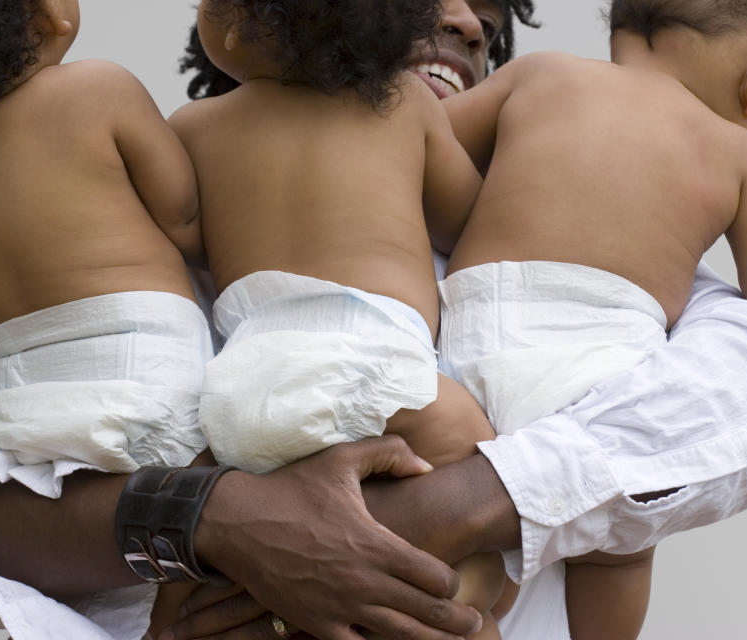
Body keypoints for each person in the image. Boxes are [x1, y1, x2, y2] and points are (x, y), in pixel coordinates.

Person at [0, 2, 747, 640]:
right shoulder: (121, 262)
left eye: (489, 8)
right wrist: (219, 520)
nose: (468, 17)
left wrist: (375, 529)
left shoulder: (640, 271)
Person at [437, 0, 747, 636]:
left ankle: (474, 606)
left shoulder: (538, 77)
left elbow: (410, 151)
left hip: (466, 355)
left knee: (464, 565)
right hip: (597, 379)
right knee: (619, 551)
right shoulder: (736, 153)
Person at [158, 0, 504, 636]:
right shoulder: (405, 100)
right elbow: (467, 221)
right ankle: (465, 615)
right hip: (376, 362)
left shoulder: (193, 126)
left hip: (246, 382)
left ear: (233, 23)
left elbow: (185, 240)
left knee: (207, 560)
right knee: (491, 492)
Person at [0, 0, 214, 475]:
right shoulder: (97, 88)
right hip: (146, 367)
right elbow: (184, 221)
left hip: (6, 405)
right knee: (205, 484)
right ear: (51, 12)